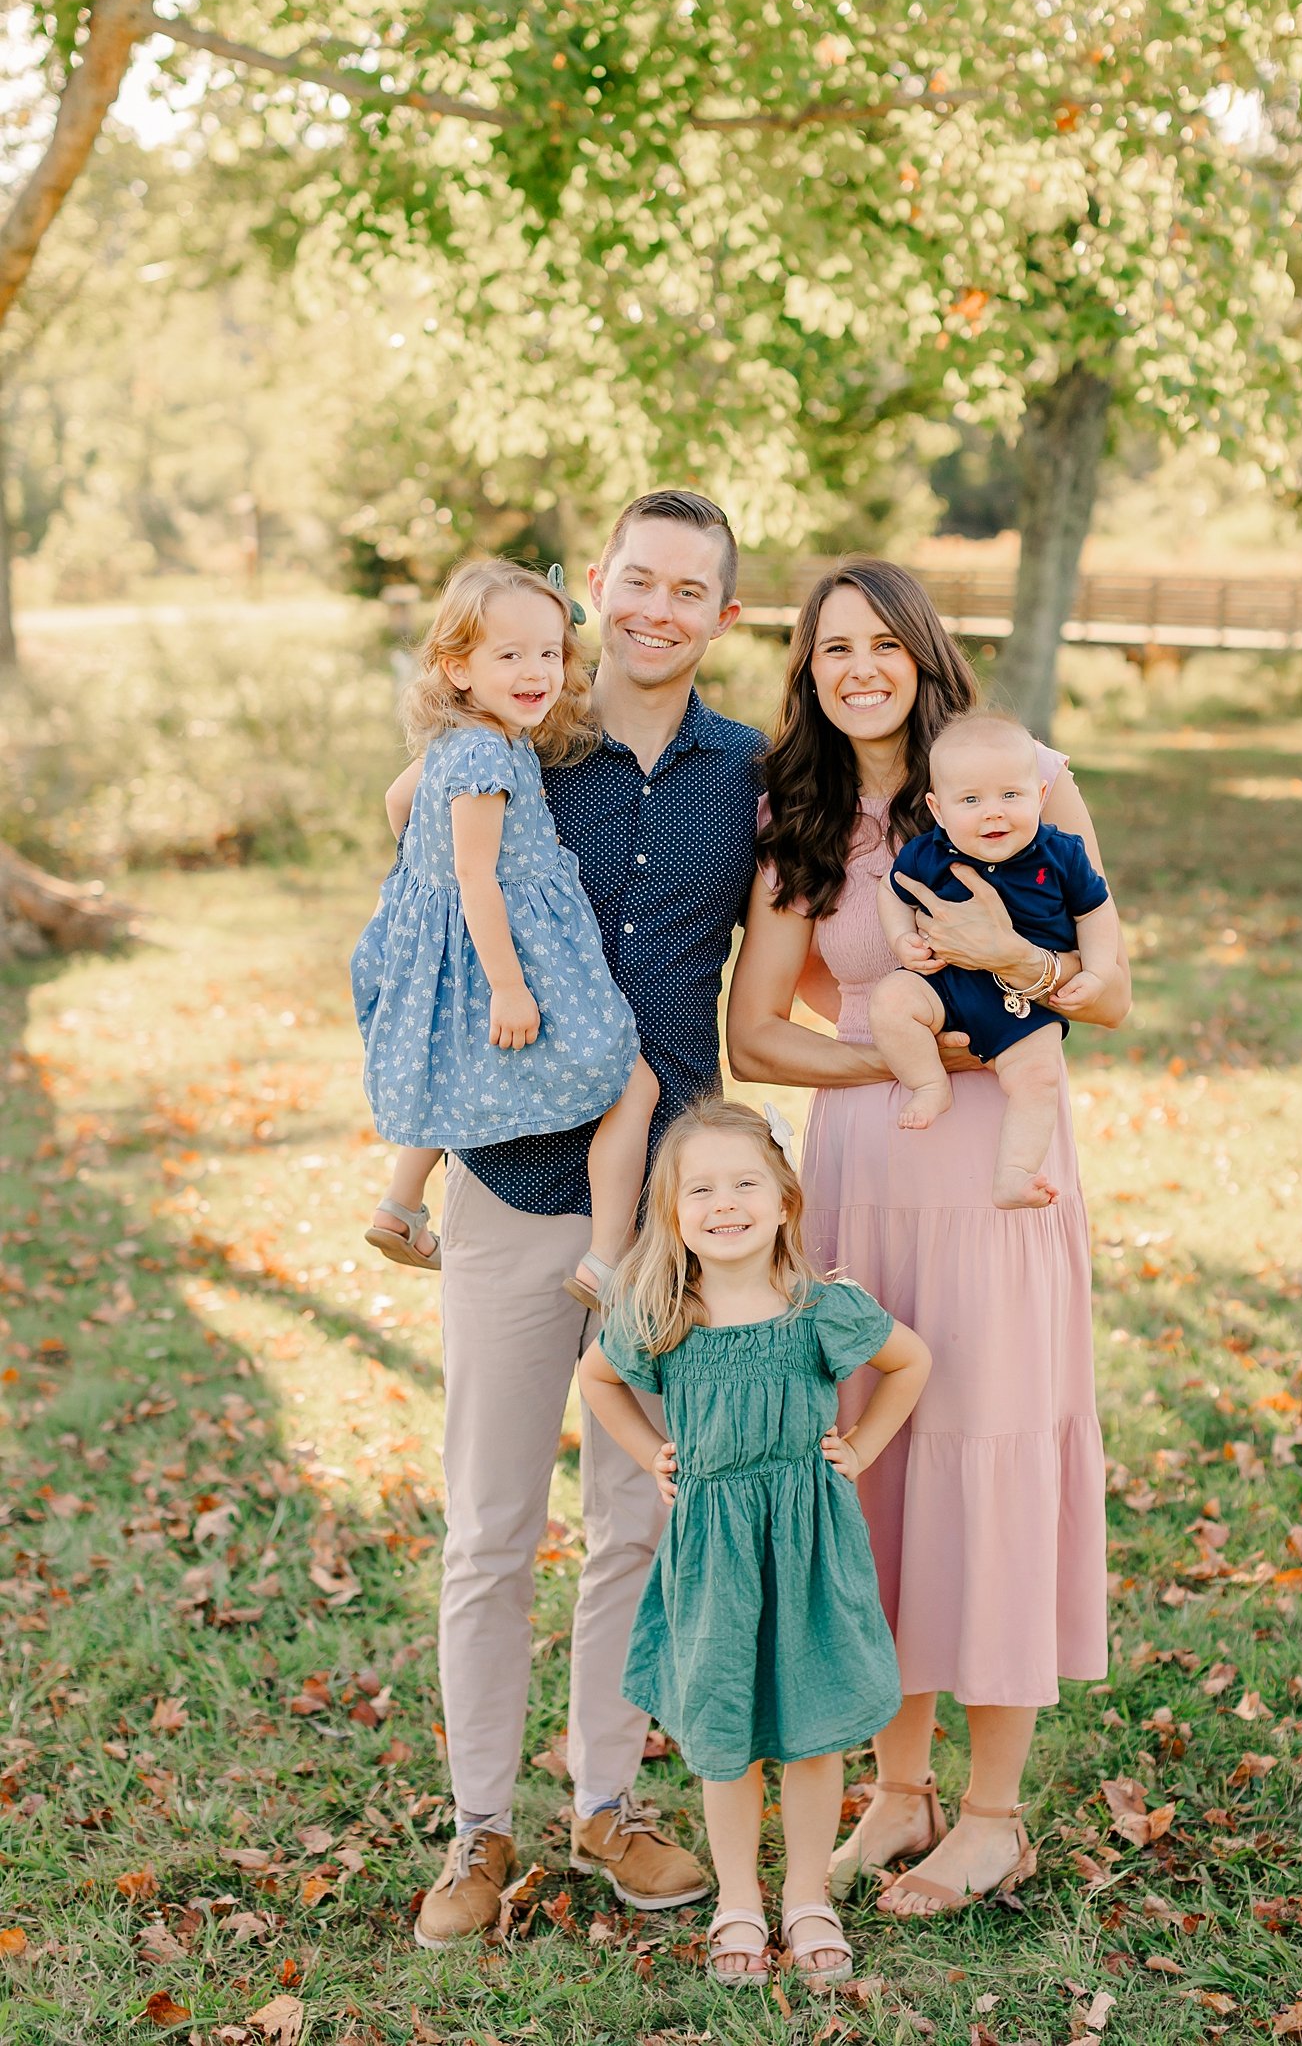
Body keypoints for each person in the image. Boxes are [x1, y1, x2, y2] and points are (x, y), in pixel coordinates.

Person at [727, 557, 1130, 1918]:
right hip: (868, 1160)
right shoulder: (803, 810)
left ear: (921, 651)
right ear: (808, 666)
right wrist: (901, 1059)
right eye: (831, 645)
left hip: (1002, 1167)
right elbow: (757, 1030)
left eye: (880, 643)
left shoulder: (1028, 777)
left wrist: (997, 976)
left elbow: (1114, 988)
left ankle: (996, 1811)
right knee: (878, 1470)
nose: (858, 667)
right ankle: (897, 1794)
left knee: (995, 1447)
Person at [407, 492, 767, 1949]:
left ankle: (607, 1795)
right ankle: (477, 1828)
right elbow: (425, 878)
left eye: (693, 590)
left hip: (672, 1209)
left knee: (638, 1517)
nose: (659, 609)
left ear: (725, 617)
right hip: (508, 1178)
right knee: (492, 1527)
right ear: (597, 587)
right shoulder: (509, 746)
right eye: (639, 580)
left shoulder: (749, 770)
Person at [579, 1100, 931, 1988]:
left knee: (813, 1731)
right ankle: (740, 1898)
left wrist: (863, 1447)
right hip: (713, 1556)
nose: (723, 1203)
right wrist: (649, 1452)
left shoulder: (821, 1308)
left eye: (745, 1184)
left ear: (783, 1202)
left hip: (809, 1546)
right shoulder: (664, 1311)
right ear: (672, 1214)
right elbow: (597, 1380)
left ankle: (808, 1896)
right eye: (700, 1189)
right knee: (722, 1729)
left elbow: (910, 1361)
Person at [352, 559, 659, 1311]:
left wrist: (424, 894)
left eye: (550, 652)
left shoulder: (458, 741)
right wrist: (510, 984)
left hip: (456, 952)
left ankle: (399, 1205)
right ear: (456, 668)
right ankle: (607, 1260)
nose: (537, 670)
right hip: (509, 955)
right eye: (510, 655)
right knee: (633, 1079)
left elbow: (399, 805)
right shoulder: (489, 755)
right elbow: (478, 876)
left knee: (449, 1075)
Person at [869, 711, 1117, 1207]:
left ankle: (1014, 1173)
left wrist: (1097, 970)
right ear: (938, 810)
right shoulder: (928, 852)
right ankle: (928, 1083)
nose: (994, 813)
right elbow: (891, 892)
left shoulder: (1060, 854)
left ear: (1040, 796)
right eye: (971, 800)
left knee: (1040, 1079)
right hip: (943, 986)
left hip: (1022, 1006)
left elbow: (1096, 912)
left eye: (1011, 795)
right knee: (891, 999)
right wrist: (900, 940)